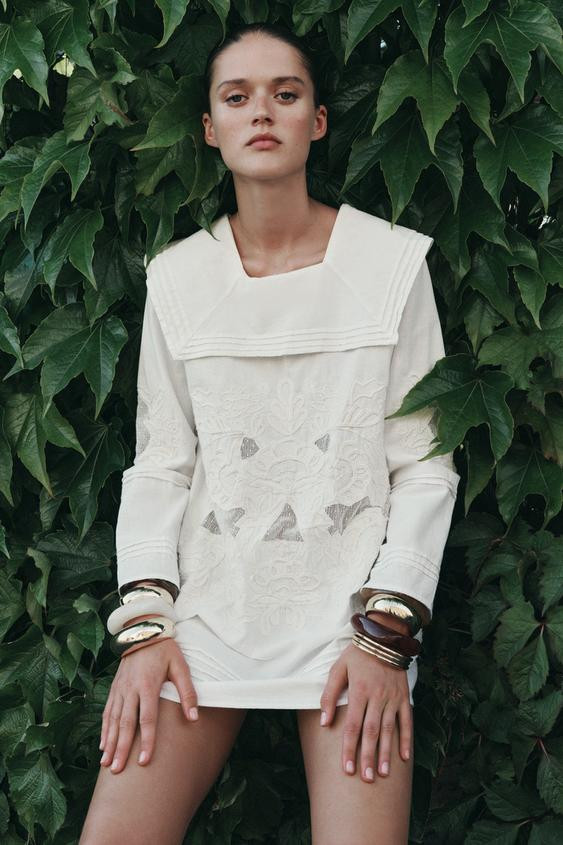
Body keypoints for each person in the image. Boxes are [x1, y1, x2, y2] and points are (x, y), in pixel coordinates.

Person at [79, 21, 460, 845]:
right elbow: (162, 461)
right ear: (209, 128)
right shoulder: (178, 278)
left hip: (354, 625)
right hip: (201, 621)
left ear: (316, 120)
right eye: (237, 96)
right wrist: (143, 628)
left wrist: (387, 635)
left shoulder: (392, 264)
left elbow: (424, 464)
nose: (262, 112)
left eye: (285, 94)